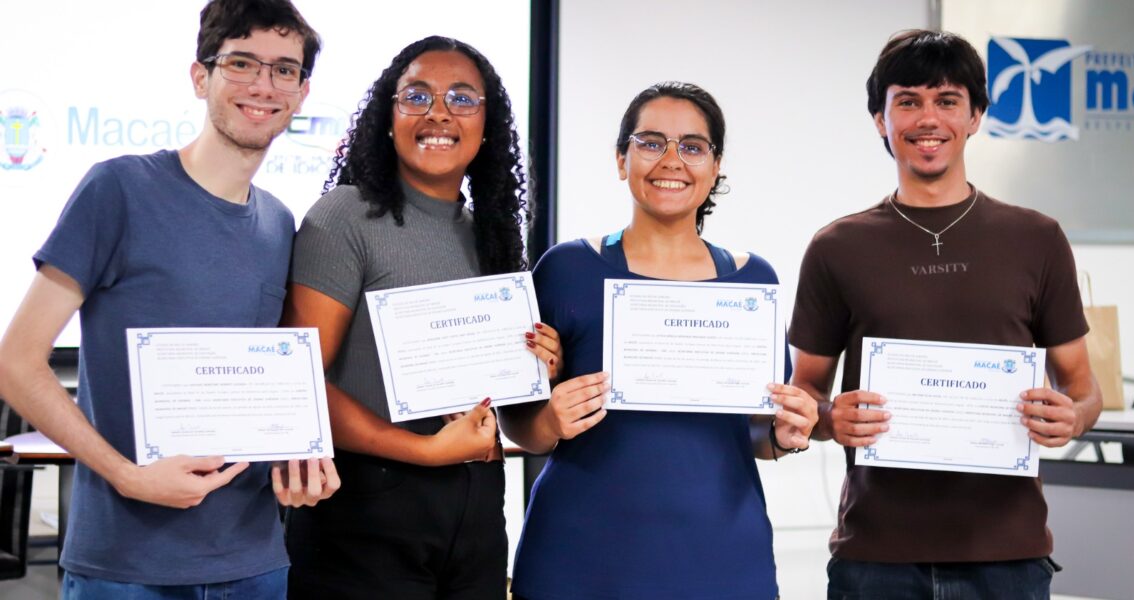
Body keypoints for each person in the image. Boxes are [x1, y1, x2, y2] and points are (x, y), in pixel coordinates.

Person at [0, 0, 339, 597]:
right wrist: (126, 476)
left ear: (303, 91)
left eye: (284, 69)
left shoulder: (280, 225)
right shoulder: (119, 189)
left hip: (255, 565)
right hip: (125, 568)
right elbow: (16, 362)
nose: (263, 84)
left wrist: (301, 461)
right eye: (241, 63)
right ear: (200, 76)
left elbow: (271, 390)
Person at [788, 29, 1103, 599]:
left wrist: (1072, 418)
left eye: (947, 100)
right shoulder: (837, 247)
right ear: (880, 120)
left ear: (976, 115)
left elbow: (1084, 391)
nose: (927, 118)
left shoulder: (1037, 239)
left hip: (1008, 558)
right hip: (875, 559)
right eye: (907, 101)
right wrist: (832, 419)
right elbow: (805, 391)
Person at [500, 82, 818, 600]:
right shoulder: (565, 269)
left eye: (692, 147)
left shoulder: (753, 280)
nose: (671, 160)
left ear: (715, 168)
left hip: (719, 556)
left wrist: (786, 434)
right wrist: (549, 419)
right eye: (651, 142)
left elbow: (758, 434)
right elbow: (524, 427)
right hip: (579, 557)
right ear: (622, 159)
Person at [280, 36, 558, 599]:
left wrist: (534, 365)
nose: (438, 113)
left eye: (462, 98)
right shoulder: (345, 217)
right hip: (365, 512)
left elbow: (504, 407)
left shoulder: (493, 237)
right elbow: (298, 382)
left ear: (488, 126)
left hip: (477, 508)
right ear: (388, 117)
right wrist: (426, 451)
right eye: (417, 96)